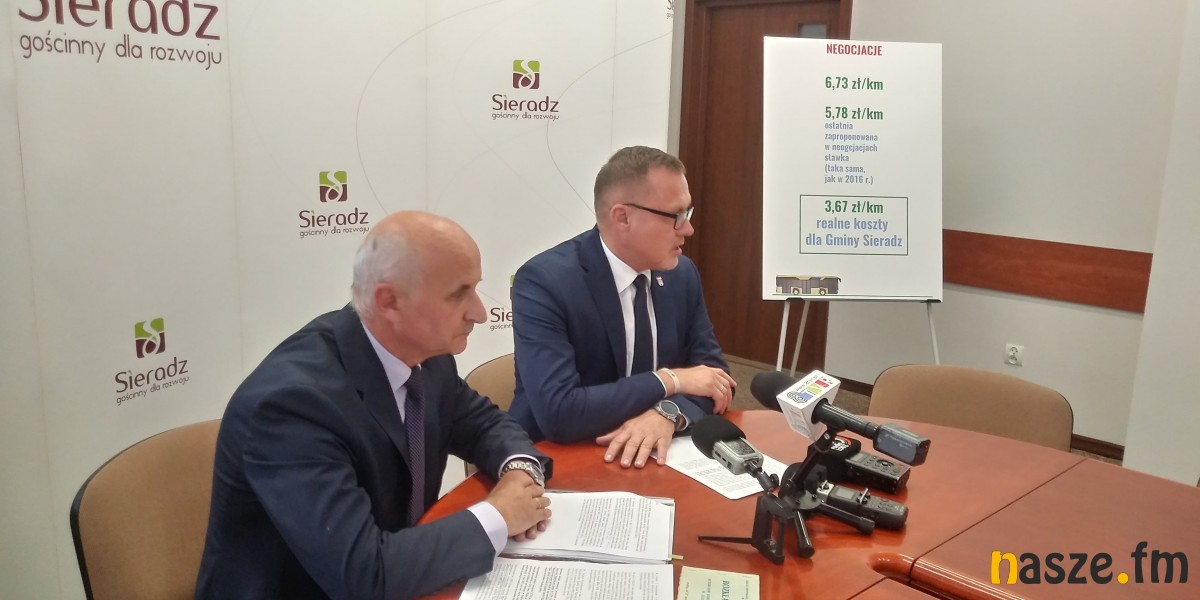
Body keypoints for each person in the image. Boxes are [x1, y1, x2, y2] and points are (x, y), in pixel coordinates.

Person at [196, 212, 553, 600]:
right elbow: (363, 575)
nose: (480, 313)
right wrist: (498, 515)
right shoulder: (291, 406)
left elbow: (484, 425)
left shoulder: (427, 356)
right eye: (458, 294)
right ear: (389, 302)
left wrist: (519, 470)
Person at [508, 146, 736, 470]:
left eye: (688, 213)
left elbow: (715, 378)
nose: (688, 229)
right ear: (623, 217)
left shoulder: (681, 275)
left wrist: (667, 413)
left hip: (654, 455)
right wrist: (670, 380)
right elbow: (559, 412)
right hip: (560, 461)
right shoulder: (546, 282)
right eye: (675, 216)